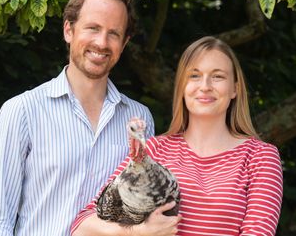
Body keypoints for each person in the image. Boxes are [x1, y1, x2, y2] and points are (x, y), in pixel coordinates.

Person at [0, 0, 154, 236]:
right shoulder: (23, 111)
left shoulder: (140, 119)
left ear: (124, 43)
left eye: (113, 33)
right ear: (69, 30)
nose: (102, 43)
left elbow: (141, 210)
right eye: (93, 28)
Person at [70, 36, 283, 236]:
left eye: (218, 76)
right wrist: (140, 232)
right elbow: (82, 226)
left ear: (235, 89)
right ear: (182, 87)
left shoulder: (260, 157)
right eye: (194, 76)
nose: (205, 86)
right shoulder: (153, 150)